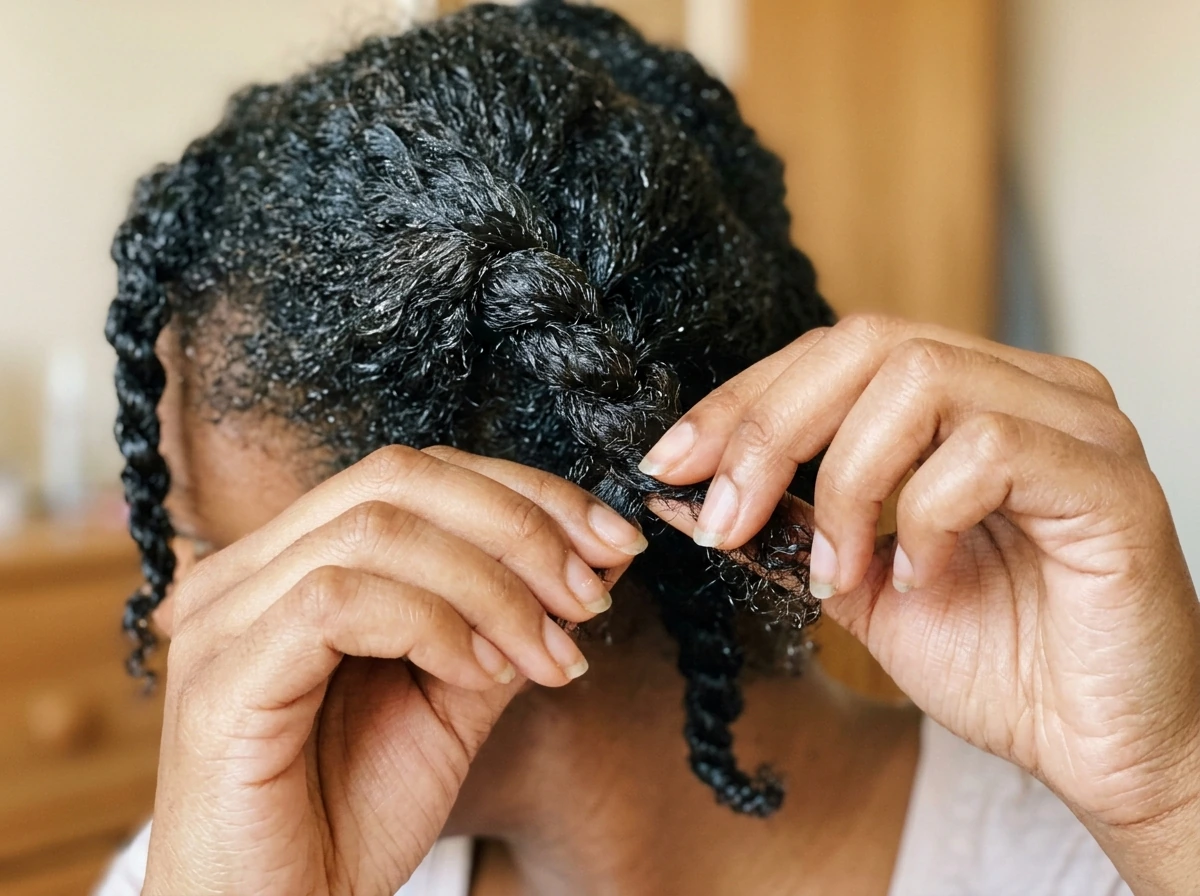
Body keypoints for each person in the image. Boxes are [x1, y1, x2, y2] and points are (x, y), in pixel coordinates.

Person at [95, 3, 1198, 894]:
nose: (179, 615)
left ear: (476, 551)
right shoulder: (222, 858)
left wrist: (1172, 794)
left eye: (214, 545)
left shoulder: (1104, 863)